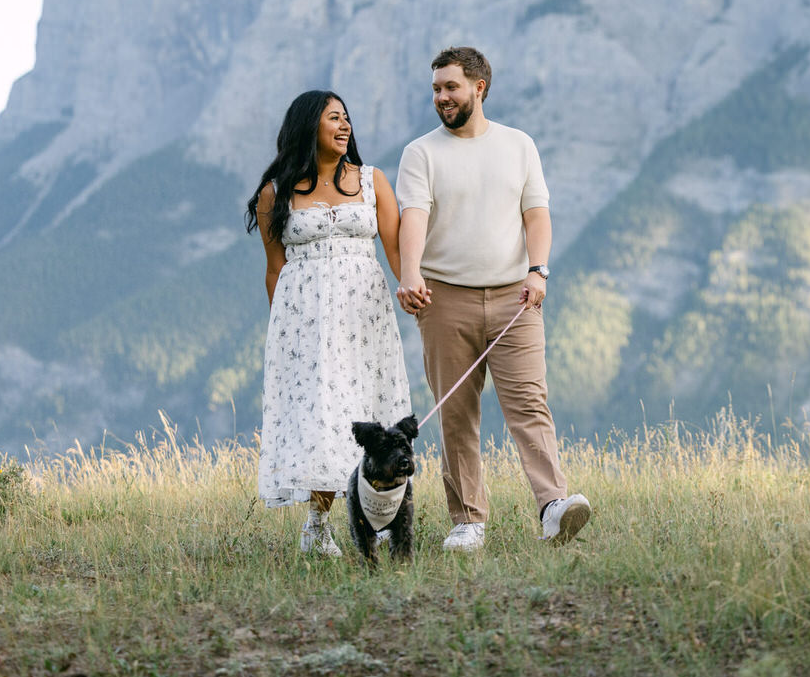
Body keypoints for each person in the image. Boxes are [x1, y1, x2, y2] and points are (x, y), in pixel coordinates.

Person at [395, 46, 590, 550]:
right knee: (457, 411)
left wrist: (538, 270)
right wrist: (410, 274)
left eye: (450, 87)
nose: (441, 97)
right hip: (444, 301)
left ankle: (553, 506)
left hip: (515, 299)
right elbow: (412, 217)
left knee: (529, 402)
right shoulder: (421, 153)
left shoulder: (519, 145)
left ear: (479, 87)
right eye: (436, 88)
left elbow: (537, 215)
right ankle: (468, 522)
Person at [246, 90, 413, 556]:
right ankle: (317, 524)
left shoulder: (372, 181)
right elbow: (275, 268)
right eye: (333, 118)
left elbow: (397, 253)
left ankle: (380, 518)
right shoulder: (275, 192)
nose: (345, 127)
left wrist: (414, 290)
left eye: (347, 119)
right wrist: (284, 338)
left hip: (365, 318)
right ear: (307, 127)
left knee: (371, 411)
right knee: (321, 419)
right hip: (305, 326)